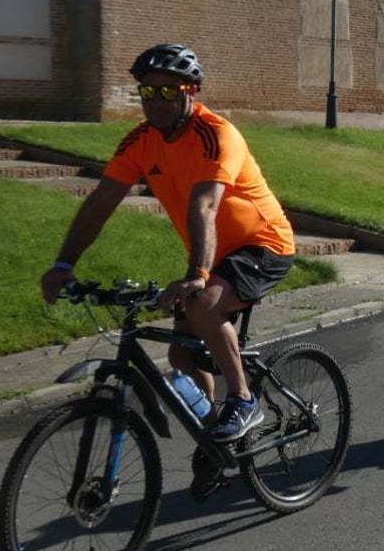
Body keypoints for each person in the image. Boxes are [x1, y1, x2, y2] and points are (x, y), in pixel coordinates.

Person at [40, 43, 296, 443]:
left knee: (204, 302)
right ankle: (215, 437)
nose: (156, 101)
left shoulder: (215, 135)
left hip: (263, 244)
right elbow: (100, 204)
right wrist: (63, 264)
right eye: (148, 91)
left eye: (168, 92)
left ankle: (243, 401)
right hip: (213, 252)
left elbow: (205, 204)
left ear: (190, 92)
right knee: (181, 355)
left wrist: (197, 274)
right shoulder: (139, 142)